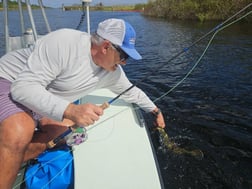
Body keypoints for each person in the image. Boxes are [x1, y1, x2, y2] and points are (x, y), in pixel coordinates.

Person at [0, 18, 165, 188]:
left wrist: (155, 111)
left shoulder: (113, 73)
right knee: (20, 130)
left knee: (59, 135)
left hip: (41, 101)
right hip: (11, 82)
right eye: (123, 56)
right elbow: (22, 89)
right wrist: (70, 109)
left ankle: (9, 159)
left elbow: (132, 92)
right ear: (106, 46)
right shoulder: (65, 42)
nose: (124, 63)